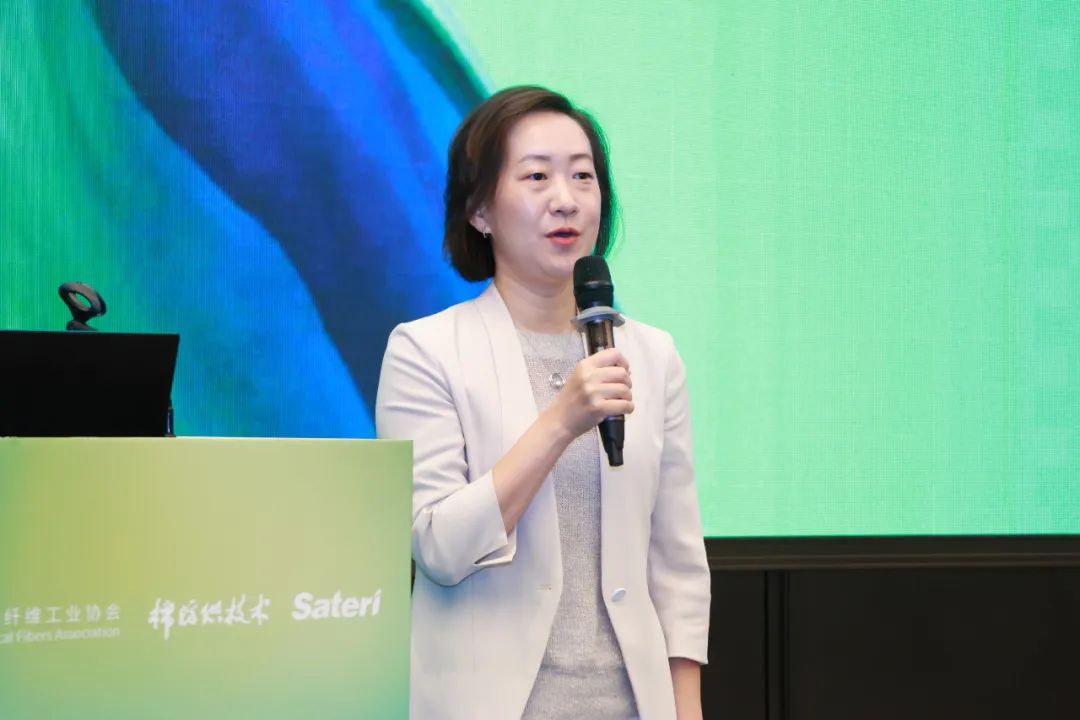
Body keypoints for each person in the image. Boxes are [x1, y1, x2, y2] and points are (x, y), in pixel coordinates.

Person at [376, 86, 710, 720]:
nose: (566, 199)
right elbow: (438, 547)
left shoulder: (653, 354)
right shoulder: (427, 351)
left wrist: (686, 709)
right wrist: (560, 422)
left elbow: (677, 564)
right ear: (480, 210)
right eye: (537, 176)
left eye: (583, 176)